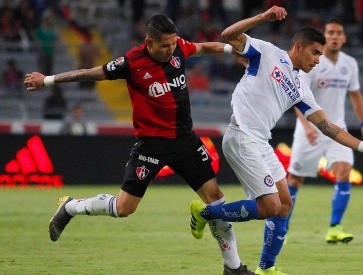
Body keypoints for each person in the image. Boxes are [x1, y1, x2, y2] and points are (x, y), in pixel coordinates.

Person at [24, 14, 254, 275]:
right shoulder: (131, 62)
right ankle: (71, 207)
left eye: (173, 44)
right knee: (124, 209)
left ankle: (233, 267)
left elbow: (204, 47)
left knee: (216, 200)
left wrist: (234, 49)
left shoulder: (178, 47)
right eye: (165, 45)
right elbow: (92, 73)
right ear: (149, 42)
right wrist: (48, 80)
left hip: (185, 141)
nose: (171, 50)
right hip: (151, 146)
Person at [187, 6, 363, 275]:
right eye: (315, 52)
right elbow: (228, 34)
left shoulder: (301, 87)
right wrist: (262, 17)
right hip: (241, 136)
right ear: (298, 47)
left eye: (321, 54)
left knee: (284, 205)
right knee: (269, 206)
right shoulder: (267, 52)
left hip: (261, 141)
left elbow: (328, 127)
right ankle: (204, 213)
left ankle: (266, 268)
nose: (318, 60)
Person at [285, 19, 363, 245]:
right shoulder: (314, 62)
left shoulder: (349, 64)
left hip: (337, 129)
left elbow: (355, 94)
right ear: (324, 37)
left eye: (338, 32)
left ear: (344, 38)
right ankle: (281, 229)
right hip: (310, 130)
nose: (334, 36)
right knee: (294, 181)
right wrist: (306, 127)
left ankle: (335, 227)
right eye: (330, 32)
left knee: (344, 173)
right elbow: (298, 96)